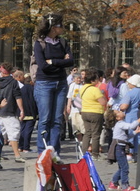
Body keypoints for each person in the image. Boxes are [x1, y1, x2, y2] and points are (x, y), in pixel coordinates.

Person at [33, 13, 74, 153]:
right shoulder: (40, 43)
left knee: (57, 119)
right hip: (45, 83)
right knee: (45, 119)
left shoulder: (63, 42)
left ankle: (55, 151)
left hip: (61, 83)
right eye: (61, 25)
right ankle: (42, 150)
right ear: (54, 27)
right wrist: (62, 61)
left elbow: (71, 61)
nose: (63, 28)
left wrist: (54, 62)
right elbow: (43, 66)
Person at [107, 109, 140, 191]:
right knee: (125, 167)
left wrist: (135, 132)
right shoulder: (120, 124)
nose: (121, 111)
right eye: (118, 112)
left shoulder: (120, 124)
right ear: (118, 117)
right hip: (119, 148)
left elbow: (126, 137)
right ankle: (125, 186)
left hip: (120, 147)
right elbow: (131, 126)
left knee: (122, 168)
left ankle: (114, 183)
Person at [0, 63, 25, 163]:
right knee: (13, 134)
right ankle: (17, 155)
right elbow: (18, 97)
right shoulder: (13, 82)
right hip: (10, 111)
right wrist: (21, 110)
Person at [79, 69, 107, 158]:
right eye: (96, 79)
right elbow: (103, 102)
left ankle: (84, 153)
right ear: (92, 81)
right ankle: (95, 154)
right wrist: (104, 98)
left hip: (85, 112)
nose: (98, 81)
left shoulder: (82, 88)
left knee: (87, 133)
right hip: (95, 112)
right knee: (96, 134)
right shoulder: (95, 90)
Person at [18, 72, 37, 153]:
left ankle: (20, 146)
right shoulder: (33, 89)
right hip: (31, 112)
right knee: (28, 131)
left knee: (22, 130)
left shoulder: (21, 89)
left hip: (23, 112)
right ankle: (26, 147)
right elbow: (35, 101)